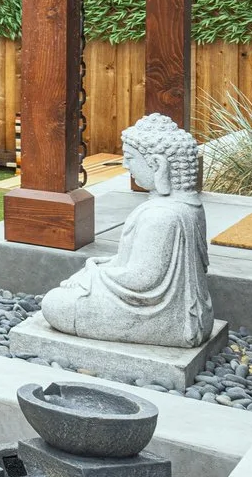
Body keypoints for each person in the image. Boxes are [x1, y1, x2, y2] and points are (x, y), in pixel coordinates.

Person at [40, 113, 217, 347]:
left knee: (55, 304)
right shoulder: (190, 206)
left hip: (164, 317)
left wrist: (93, 274)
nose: (125, 165)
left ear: (157, 164)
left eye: (130, 158)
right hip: (194, 315)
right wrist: (100, 264)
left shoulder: (160, 215)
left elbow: (141, 280)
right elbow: (136, 264)